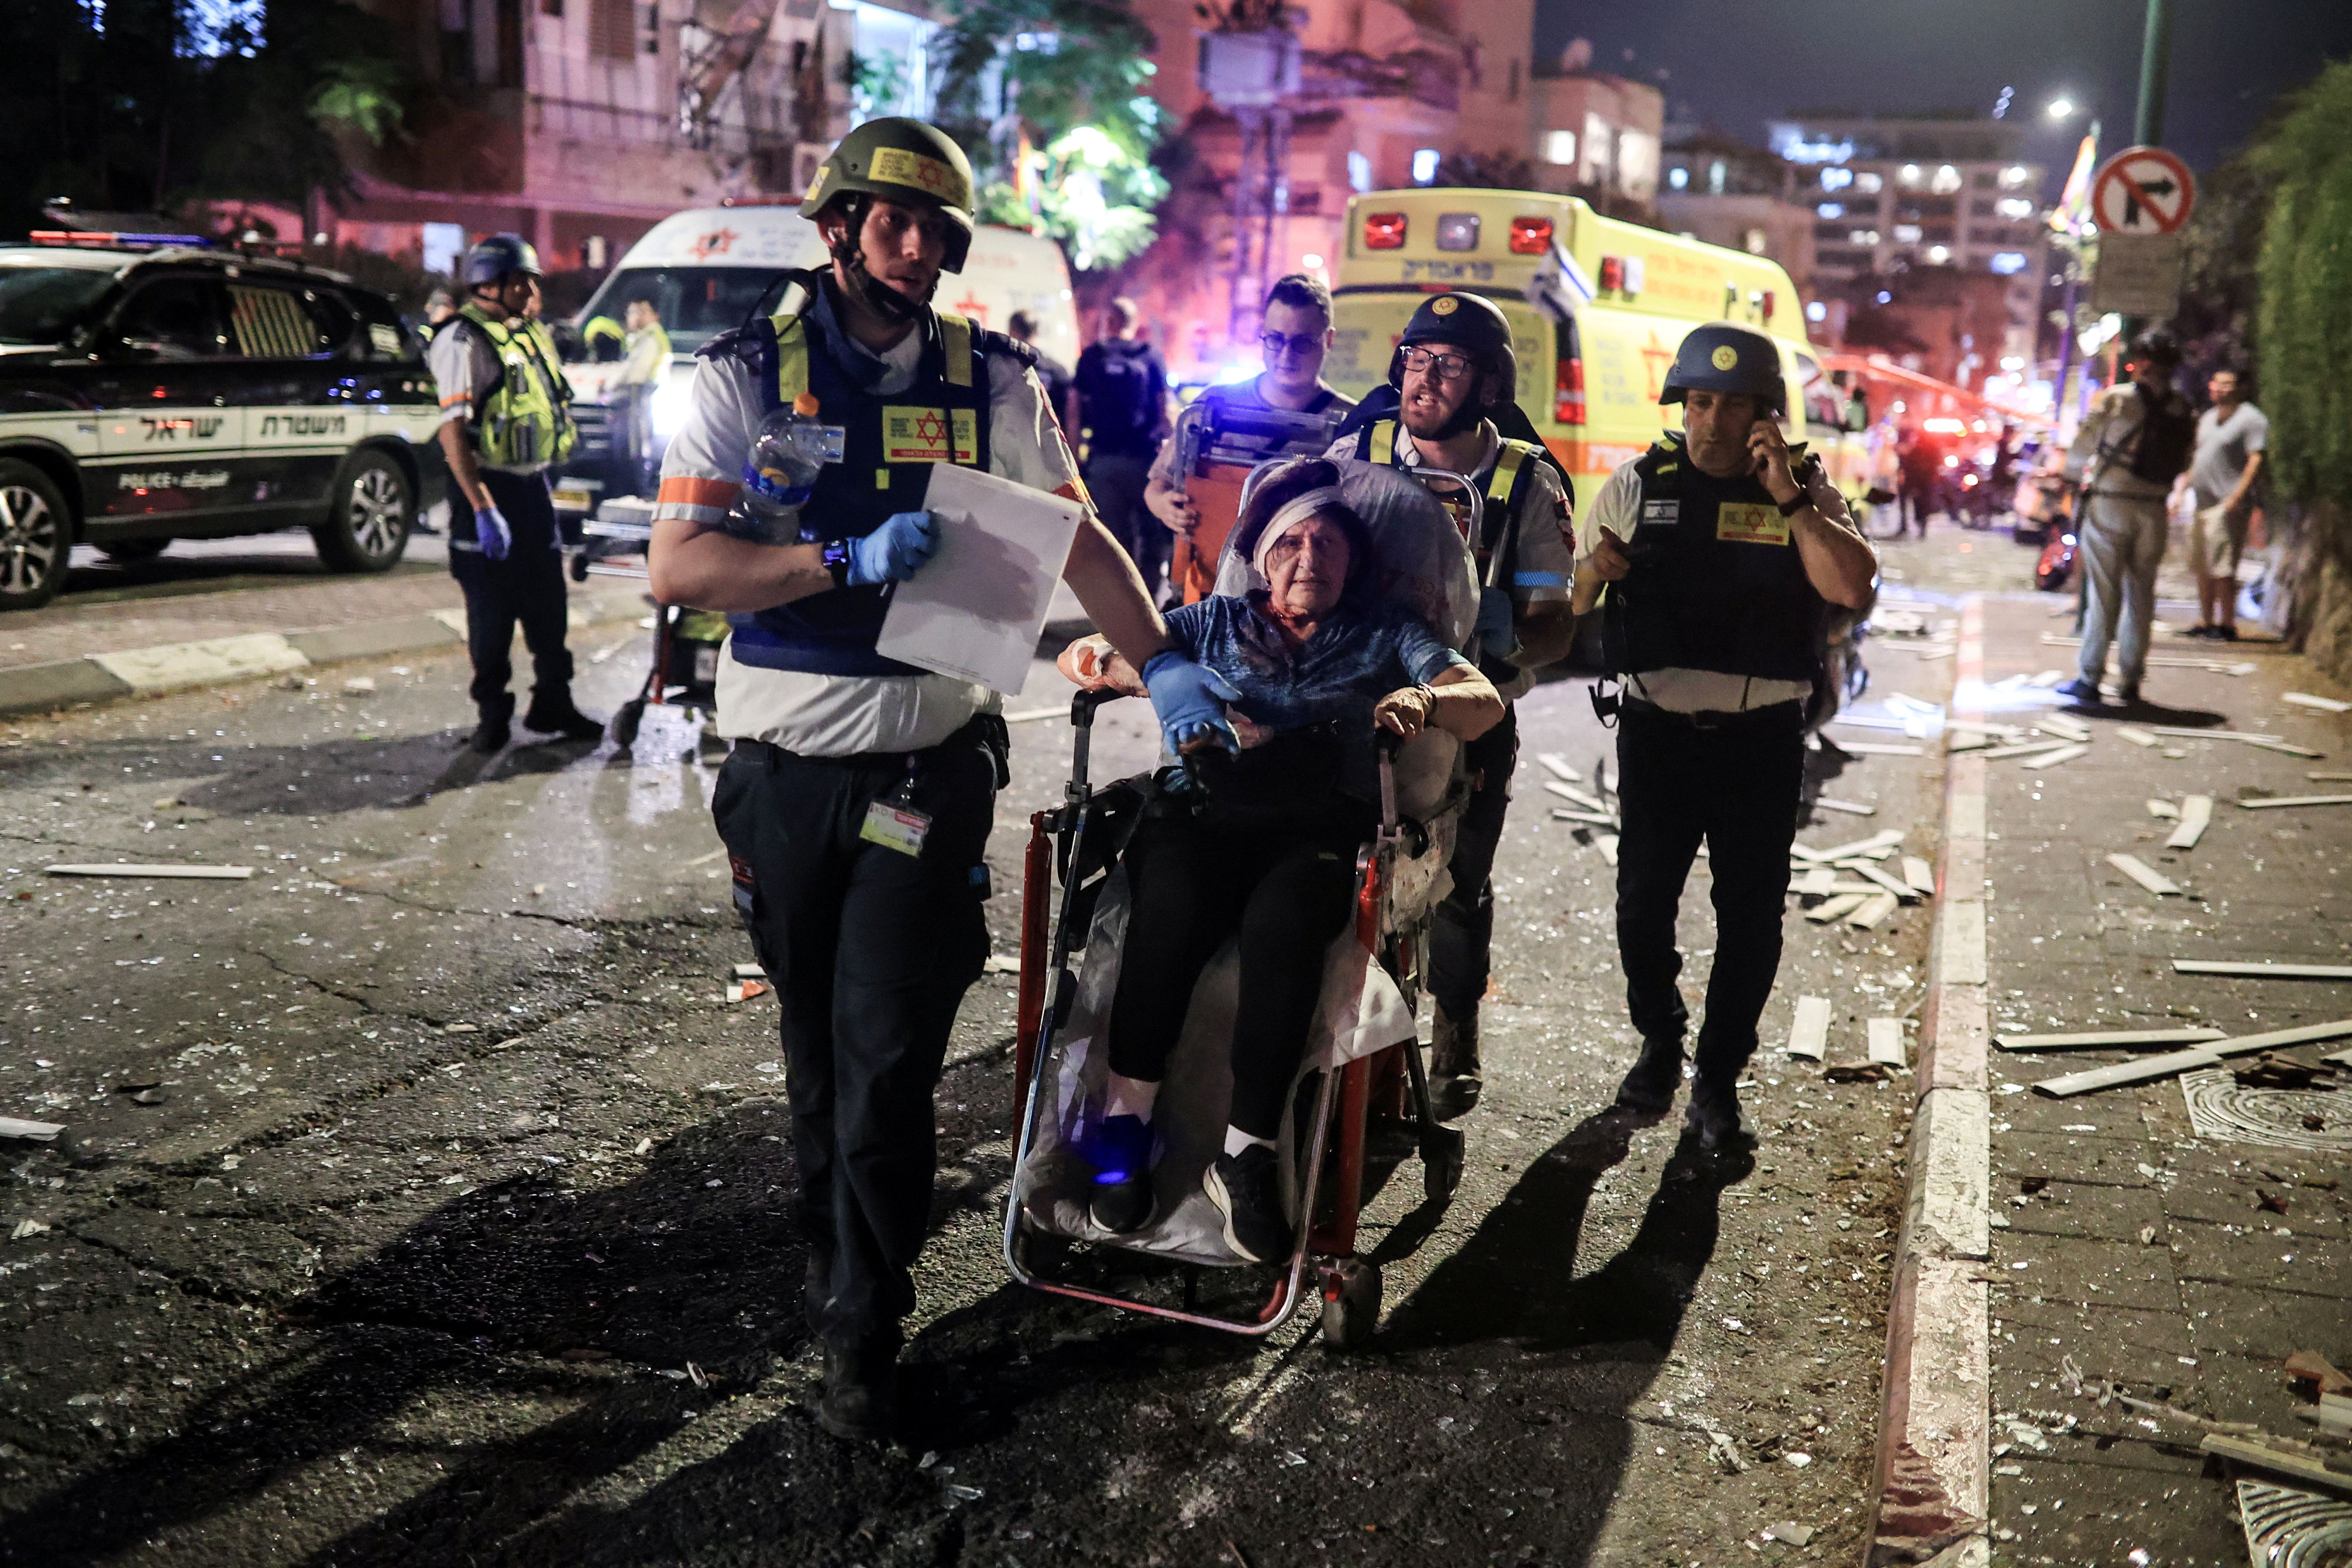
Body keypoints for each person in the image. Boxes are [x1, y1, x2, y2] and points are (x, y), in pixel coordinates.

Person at [644, 117, 1234, 1443]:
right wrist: (844, 562)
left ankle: (867, 1323)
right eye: (892, 223)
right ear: (839, 225)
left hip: (927, 767)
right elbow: (681, 570)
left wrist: (1166, 667)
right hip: (786, 767)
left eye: (937, 234)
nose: (915, 251)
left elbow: (1080, 535)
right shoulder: (740, 375)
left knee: (890, 1049)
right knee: (817, 1044)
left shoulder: (996, 380)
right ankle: (838, 1258)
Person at [1055, 459, 1502, 1260]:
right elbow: (1083, 654)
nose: (1308, 558)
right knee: (1172, 909)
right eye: (1289, 541)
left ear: (1352, 562)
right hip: (1203, 815)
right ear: (1262, 557)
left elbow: (1483, 702)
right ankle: (1123, 1132)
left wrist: (1423, 699)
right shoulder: (1210, 622)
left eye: (1327, 544)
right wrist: (1157, 678)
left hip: (1313, 826)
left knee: (1287, 924)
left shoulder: (1383, 633)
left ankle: (1248, 1152)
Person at [1571, 322, 1877, 1150]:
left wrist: (1787, 496)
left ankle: (1717, 1073)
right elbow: (1563, 600)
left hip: (1760, 742)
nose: (1710, 422)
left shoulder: (1806, 489)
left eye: (1731, 406)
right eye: (1698, 402)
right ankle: (1661, 1036)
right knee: (1641, 905)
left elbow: (1850, 585)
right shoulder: (1640, 481)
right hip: (1657, 733)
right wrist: (1594, 572)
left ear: (1764, 417)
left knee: (1748, 917)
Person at [1324, 291, 1578, 1112]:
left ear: (1490, 385)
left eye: (1450, 365)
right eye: (1415, 360)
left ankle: (1456, 1028)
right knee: (1338, 870)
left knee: (1459, 882)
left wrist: (1485, 668)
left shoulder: (1527, 483)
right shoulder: (1353, 449)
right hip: (1356, 704)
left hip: (1468, 717)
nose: (1425, 378)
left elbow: (1553, 624)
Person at [427, 233, 602, 751]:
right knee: (492, 614)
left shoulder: (528, 335)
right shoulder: (461, 341)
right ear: (491, 284)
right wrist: (483, 508)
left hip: (532, 490)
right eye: (522, 280)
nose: (533, 290)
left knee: (549, 606)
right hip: (486, 491)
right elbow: (453, 433)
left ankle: (553, 703)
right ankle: (492, 717)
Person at [1142, 272, 1358, 554]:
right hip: (1210, 587)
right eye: (1275, 339)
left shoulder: (1351, 423)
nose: (1285, 355)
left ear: (1328, 340)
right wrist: (1165, 507)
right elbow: (1157, 488)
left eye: (1303, 343)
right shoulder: (1212, 406)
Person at [2055, 330, 2196, 707]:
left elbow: (2083, 446)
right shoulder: (2182, 408)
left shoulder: (2117, 400)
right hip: (2154, 508)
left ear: (2143, 364)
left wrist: (2069, 476)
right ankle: (2131, 681)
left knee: (2104, 593)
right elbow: (2184, 460)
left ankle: (2090, 677)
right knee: (2142, 596)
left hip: (2111, 503)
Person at [1072, 297, 1172, 599]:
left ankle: (1123, 610)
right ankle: (1150, 602)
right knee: (1151, 536)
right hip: (1145, 463)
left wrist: (1076, 457)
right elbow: (1164, 410)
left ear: (1109, 322)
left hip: (1104, 462)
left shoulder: (1091, 357)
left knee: (1114, 542)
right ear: (1133, 323)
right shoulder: (1151, 357)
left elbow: (1075, 411)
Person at [2180, 364, 2267, 640]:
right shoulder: (2208, 418)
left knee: (2223, 566)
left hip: (2226, 503)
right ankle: (2206, 621)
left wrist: (2237, 496)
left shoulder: (2252, 419)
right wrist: (2183, 489)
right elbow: (2199, 456)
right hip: (2202, 503)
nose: (2220, 389)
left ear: (2239, 388)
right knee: (2202, 564)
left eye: (2227, 384)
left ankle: (2227, 623)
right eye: (2217, 384)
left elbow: (2256, 458)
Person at [1006, 309, 1071, 427]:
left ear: (1012, 330)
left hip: (1011, 438)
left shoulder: (1001, 367)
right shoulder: (1056, 370)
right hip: (1047, 439)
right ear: (1037, 332)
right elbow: (1069, 413)